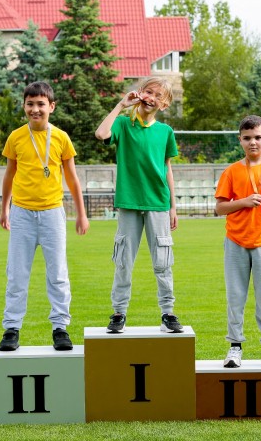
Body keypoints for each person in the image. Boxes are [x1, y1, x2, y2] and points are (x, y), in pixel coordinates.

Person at [0, 81, 89, 351]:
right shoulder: (16, 137)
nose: (35, 109)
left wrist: (81, 214)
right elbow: (9, 175)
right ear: (24, 106)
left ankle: (60, 327)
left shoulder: (61, 137)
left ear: (52, 106)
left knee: (58, 273)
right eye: (30, 104)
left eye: (40, 104)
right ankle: (11, 328)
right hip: (22, 214)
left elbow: (72, 178)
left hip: (52, 213)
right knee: (16, 273)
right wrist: (5, 208)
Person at [95, 77, 183, 334]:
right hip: (129, 203)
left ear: (164, 104)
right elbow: (101, 134)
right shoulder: (123, 124)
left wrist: (173, 206)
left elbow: (167, 168)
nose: (150, 97)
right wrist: (121, 105)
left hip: (158, 204)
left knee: (163, 262)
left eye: (157, 95)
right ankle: (119, 312)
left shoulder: (165, 132)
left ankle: (168, 312)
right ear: (140, 93)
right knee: (123, 260)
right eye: (148, 91)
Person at [214, 115, 261, 369]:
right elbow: (219, 208)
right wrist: (243, 202)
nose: (253, 142)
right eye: (247, 138)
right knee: (235, 296)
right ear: (240, 141)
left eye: (258, 137)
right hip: (236, 242)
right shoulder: (232, 171)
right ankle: (235, 347)